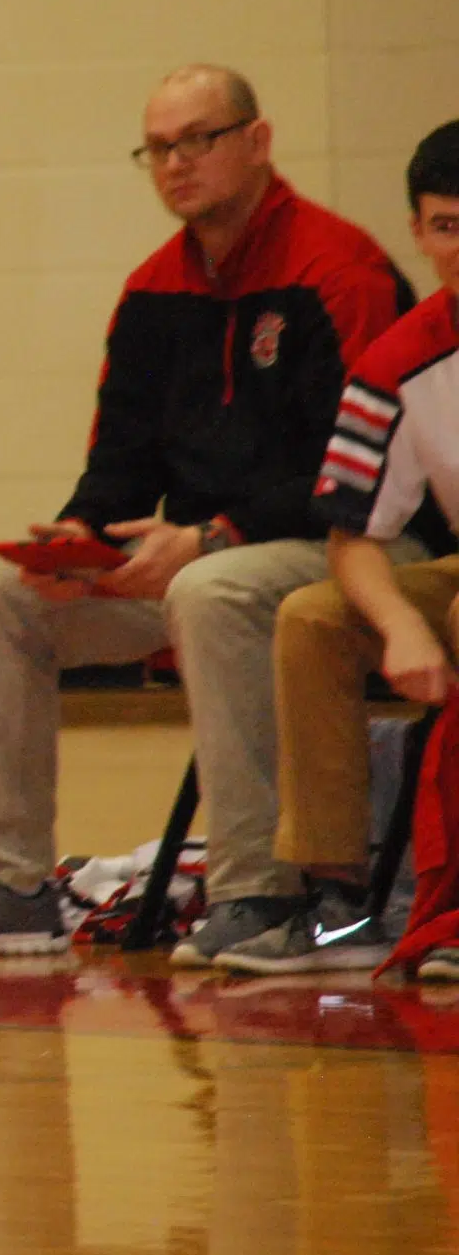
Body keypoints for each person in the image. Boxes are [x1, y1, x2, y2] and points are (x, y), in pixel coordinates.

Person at [0, 65, 417, 965]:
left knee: (210, 591)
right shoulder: (153, 291)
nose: (176, 164)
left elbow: (356, 468)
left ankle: (257, 890)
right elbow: (121, 463)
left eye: (199, 139)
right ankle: (6, 883)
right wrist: (79, 537)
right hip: (205, 558)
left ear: (258, 141)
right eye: (158, 148)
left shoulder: (336, 269)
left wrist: (211, 536)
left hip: (356, 548)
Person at [238, 122, 459, 975]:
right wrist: (400, 624)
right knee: (314, 618)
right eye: (445, 226)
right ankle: (340, 901)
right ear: (417, 232)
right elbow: (353, 536)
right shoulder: (399, 360)